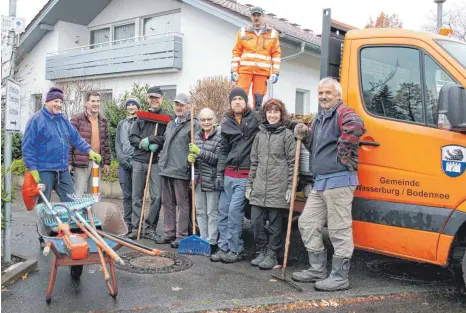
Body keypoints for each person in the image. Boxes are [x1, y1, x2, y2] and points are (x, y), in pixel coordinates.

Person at [291, 77, 366, 291]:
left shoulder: (343, 112)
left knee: (338, 230)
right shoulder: (320, 118)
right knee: (306, 223)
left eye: (328, 93)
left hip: (340, 181)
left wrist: (343, 150)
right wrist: (304, 134)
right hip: (321, 182)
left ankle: (340, 277)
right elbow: (315, 147)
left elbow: (357, 125)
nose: (324, 96)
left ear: (337, 96)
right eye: (321, 93)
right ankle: (317, 269)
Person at [21, 87, 102, 247]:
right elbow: (28, 147)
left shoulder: (63, 119)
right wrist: (33, 169)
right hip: (43, 170)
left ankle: (74, 233)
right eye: (56, 101)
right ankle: (44, 238)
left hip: (62, 170)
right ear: (47, 102)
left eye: (60, 101)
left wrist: (89, 151)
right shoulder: (36, 120)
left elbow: (75, 138)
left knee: (71, 201)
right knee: (43, 206)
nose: (59, 104)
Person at [211, 87, 261, 263]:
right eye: (234, 100)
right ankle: (223, 246)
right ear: (230, 103)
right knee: (223, 212)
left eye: (240, 99)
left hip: (245, 176)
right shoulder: (226, 123)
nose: (237, 102)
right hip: (228, 175)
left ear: (245, 101)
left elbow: (275, 121)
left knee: (234, 213)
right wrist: (219, 174)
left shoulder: (255, 118)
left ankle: (235, 249)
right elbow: (223, 150)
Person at [246, 99, 296, 270]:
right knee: (255, 221)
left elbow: (293, 163)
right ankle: (261, 250)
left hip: (278, 187)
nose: (272, 115)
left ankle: (272, 254)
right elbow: (254, 161)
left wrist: (290, 186)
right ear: (265, 114)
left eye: (276, 112)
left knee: (275, 225)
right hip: (259, 186)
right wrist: (250, 184)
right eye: (269, 112)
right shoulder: (259, 135)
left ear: (281, 115)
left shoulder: (287, 136)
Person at [158, 93, 200, 248]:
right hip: (166, 168)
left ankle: (181, 236)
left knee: (182, 204)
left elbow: (197, 145)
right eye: (177, 104)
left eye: (182, 105)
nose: (179, 107)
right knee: (167, 203)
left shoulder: (193, 124)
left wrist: (191, 160)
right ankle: (168, 233)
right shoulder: (171, 124)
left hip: (181, 169)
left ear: (188, 106)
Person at [128, 86, 168, 240]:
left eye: (157, 97)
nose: (154, 100)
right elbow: (132, 137)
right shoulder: (141, 117)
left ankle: (150, 228)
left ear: (161, 99)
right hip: (139, 161)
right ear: (147, 99)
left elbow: (166, 138)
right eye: (151, 97)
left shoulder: (166, 119)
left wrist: (152, 140)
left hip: (155, 162)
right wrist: (142, 143)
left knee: (157, 196)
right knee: (137, 196)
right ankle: (135, 227)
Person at [231, 6, 281, 110]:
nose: (256, 17)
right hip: (245, 71)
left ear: (263, 16)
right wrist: (234, 71)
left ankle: (255, 121)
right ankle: (238, 119)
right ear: (251, 17)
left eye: (259, 15)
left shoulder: (273, 33)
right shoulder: (243, 32)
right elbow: (236, 52)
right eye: (254, 15)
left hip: (262, 72)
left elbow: (276, 54)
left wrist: (275, 72)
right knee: (239, 97)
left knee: (258, 100)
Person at [187, 108, 222, 253]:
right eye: (203, 119)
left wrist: (200, 152)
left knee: (212, 213)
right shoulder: (196, 136)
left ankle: (212, 241)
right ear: (199, 121)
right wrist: (190, 160)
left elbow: (217, 159)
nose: (206, 122)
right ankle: (203, 238)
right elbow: (193, 157)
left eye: (209, 119)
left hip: (212, 180)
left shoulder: (219, 137)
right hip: (198, 180)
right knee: (200, 211)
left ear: (214, 120)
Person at [69, 91, 111, 197]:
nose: (96, 104)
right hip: (81, 162)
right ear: (86, 103)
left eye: (98, 101)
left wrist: (106, 162)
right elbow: (69, 141)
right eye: (93, 101)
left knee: (94, 194)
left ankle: (92, 214)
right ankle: (77, 214)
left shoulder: (103, 121)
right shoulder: (77, 119)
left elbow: (105, 143)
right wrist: (68, 162)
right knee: (78, 194)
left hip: (96, 163)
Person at [115, 97, 140, 234]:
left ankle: (137, 223)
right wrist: (121, 158)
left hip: (136, 162)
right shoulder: (121, 124)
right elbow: (117, 142)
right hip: (123, 163)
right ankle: (128, 222)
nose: (131, 107)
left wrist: (134, 160)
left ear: (138, 107)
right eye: (129, 105)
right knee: (126, 195)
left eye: (133, 105)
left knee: (136, 195)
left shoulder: (141, 122)